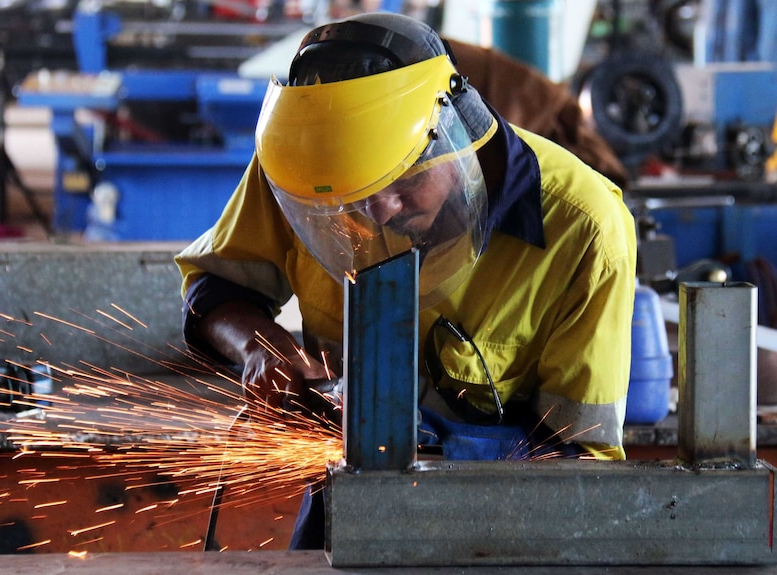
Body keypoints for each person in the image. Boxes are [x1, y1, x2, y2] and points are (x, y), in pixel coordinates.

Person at [175, 11, 636, 543]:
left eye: (401, 179)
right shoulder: (309, 165)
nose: (379, 210)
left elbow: (580, 457)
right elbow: (216, 288)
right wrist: (261, 349)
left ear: (453, 130)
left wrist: (443, 451)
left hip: (502, 531)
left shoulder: (583, 228)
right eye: (351, 197)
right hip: (347, 508)